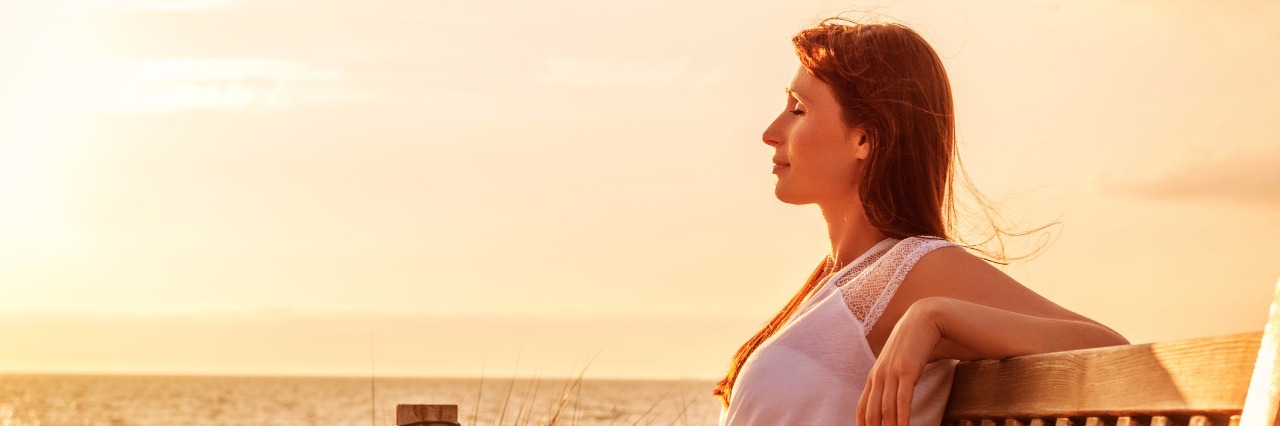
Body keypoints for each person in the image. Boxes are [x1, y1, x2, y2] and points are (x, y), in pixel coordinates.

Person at [713, 18, 1130, 426]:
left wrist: (935, 316)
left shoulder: (913, 266)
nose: (771, 131)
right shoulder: (835, 279)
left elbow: (1112, 351)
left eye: (798, 109)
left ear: (866, 139)